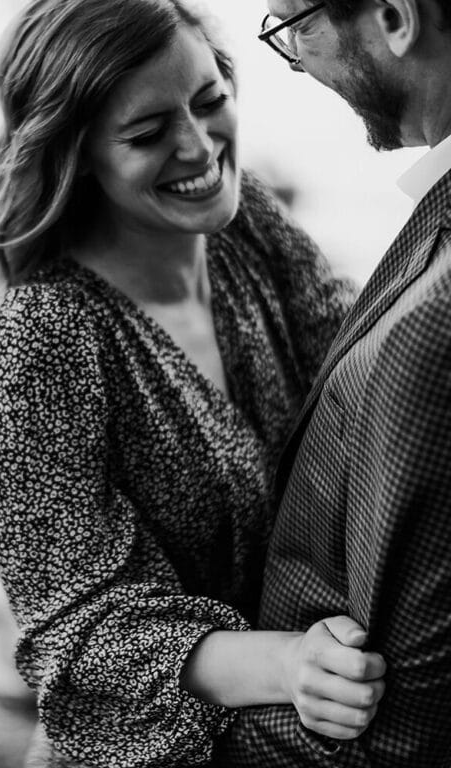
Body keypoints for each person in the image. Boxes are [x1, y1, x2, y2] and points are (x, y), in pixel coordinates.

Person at [0, 0, 387, 765]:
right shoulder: (36, 343)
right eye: (148, 133)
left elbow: (366, 372)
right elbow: (80, 632)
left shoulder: (247, 223)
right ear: (77, 151)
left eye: (209, 102)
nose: (198, 147)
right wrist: (287, 663)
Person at [219, 0, 451, 766]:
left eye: (300, 24)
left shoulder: (433, 321)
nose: (301, 59)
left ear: (394, 16)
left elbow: (409, 716)